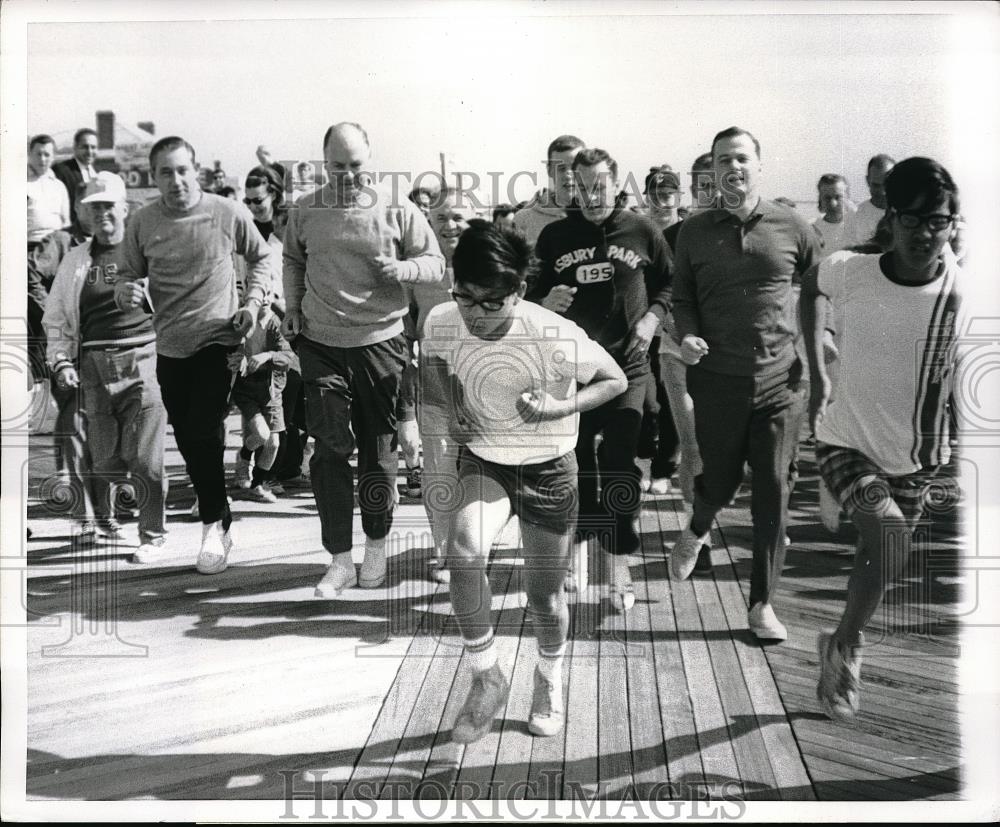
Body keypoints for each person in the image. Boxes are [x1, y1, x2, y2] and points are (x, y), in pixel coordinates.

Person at [421, 220, 627, 743]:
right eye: (466, 298)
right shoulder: (443, 319)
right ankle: (487, 675)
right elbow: (432, 363)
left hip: (550, 468)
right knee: (463, 553)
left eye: (494, 303)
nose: (478, 314)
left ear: (519, 291)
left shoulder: (551, 333)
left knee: (545, 601)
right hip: (487, 460)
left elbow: (614, 380)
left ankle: (548, 677)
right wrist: (453, 407)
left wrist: (561, 406)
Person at [801, 157, 964, 721]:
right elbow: (808, 288)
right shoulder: (849, 269)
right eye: (913, 220)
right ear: (891, 220)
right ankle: (847, 645)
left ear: (953, 224)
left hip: (916, 454)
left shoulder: (964, 296)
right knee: (889, 531)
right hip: (842, 438)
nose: (925, 234)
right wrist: (819, 372)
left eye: (938, 222)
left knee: (878, 558)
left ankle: (843, 643)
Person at [669, 127, 821, 641]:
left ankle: (761, 605)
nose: (732, 167)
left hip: (781, 381)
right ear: (711, 170)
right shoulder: (693, 230)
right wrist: (687, 334)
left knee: (774, 490)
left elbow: (816, 292)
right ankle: (696, 528)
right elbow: (682, 297)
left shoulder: (793, 225)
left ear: (759, 164)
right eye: (722, 160)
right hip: (717, 380)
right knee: (723, 480)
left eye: (741, 158)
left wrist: (823, 342)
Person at [282, 122, 444, 598]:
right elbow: (292, 260)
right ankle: (338, 559)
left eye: (356, 166)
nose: (347, 176)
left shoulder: (397, 206)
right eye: (337, 167)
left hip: (381, 343)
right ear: (323, 163)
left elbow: (434, 263)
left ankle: (375, 546)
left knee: (379, 452)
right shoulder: (307, 210)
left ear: (370, 162)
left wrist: (405, 268)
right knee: (330, 445)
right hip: (320, 341)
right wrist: (292, 307)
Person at [114, 135, 273, 574]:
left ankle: (212, 529)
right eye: (165, 172)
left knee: (202, 427)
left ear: (196, 170)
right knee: (188, 436)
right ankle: (221, 516)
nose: (176, 180)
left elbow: (262, 257)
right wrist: (126, 291)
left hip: (219, 340)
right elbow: (126, 276)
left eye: (182, 170)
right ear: (154, 178)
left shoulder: (225, 211)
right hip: (170, 346)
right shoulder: (143, 222)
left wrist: (253, 303)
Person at [528, 148, 671, 606]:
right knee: (578, 467)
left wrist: (651, 320)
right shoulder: (554, 235)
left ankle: (620, 565)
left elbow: (669, 283)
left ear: (616, 185)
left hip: (628, 367)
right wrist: (544, 301)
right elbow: (527, 294)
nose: (591, 197)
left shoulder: (642, 228)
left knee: (618, 462)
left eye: (600, 187)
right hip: (576, 369)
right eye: (582, 187)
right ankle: (580, 551)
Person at [43, 172, 169, 560]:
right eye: (94, 207)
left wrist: (145, 297)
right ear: (85, 213)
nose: (102, 215)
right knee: (106, 462)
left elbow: (177, 303)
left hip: (145, 358)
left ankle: (153, 536)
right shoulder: (75, 259)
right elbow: (57, 318)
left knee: (147, 460)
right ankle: (112, 508)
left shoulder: (149, 252)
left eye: (108, 206)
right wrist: (61, 361)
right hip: (94, 368)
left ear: (125, 209)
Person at [416, 186, 477, 581]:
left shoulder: (491, 265)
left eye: (459, 218)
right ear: (429, 222)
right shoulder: (419, 270)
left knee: (479, 474)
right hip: (434, 391)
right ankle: (443, 550)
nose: (451, 225)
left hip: (482, 391)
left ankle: (471, 545)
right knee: (440, 472)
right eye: (442, 218)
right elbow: (405, 332)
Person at [637, 165, 683, 495]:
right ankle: (641, 459)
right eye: (654, 196)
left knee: (669, 403)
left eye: (667, 195)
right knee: (644, 400)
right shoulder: (638, 230)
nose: (661, 202)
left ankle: (665, 467)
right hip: (642, 327)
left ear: (679, 197)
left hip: (677, 329)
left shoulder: (690, 232)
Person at [227, 298, 295, 503]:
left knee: (273, 443)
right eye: (261, 294)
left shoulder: (275, 323)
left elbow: (289, 357)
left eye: (270, 294)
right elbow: (228, 348)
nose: (265, 300)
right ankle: (245, 457)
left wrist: (267, 356)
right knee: (262, 434)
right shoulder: (241, 319)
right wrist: (236, 359)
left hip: (271, 391)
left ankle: (257, 485)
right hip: (245, 388)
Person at [513, 134, 585, 248]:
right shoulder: (523, 221)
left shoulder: (598, 216)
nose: (568, 174)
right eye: (561, 168)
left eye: (574, 168)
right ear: (549, 170)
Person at [52, 128, 99, 235]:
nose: (90, 152)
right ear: (75, 148)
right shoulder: (61, 170)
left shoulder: (98, 174)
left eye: (93, 147)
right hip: (70, 234)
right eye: (85, 147)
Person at [27, 134, 70, 246]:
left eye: (47, 155)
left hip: (57, 244)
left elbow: (66, 221)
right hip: (30, 244)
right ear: (29, 154)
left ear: (53, 157)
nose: (42, 159)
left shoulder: (59, 186)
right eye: (38, 154)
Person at [846, 154, 895, 246]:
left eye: (886, 184)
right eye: (876, 185)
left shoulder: (906, 215)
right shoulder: (854, 215)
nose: (882, 192)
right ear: (867, 181)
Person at [812, 173, 854, 256]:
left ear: (847, 197)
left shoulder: (858, 225)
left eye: (838, 197)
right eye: (827, 198)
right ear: (820, 198)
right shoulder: (812, 230)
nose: (833, 203)